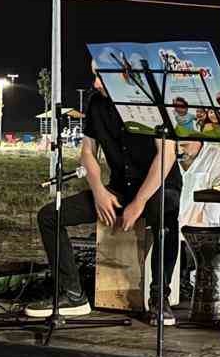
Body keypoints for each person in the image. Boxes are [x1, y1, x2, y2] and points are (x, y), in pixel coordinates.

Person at [30, 60, 180, 323]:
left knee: (164, 212)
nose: (95, 83)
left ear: (124, 74)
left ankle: (159, 298)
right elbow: (88, 152)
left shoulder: (150, 102)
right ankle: (73, 294)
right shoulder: (96, 104)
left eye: (101, 76)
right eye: (94, 76)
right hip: (119, 188)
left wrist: (140, 202)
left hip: (158, 187)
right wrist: (98, 190)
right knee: (49, 216)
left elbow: (166, 155)